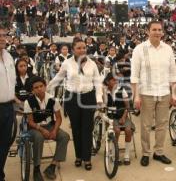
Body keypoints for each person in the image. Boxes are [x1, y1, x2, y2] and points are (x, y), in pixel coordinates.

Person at [47, 39, 103, 170]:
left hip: (88, 98)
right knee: (76, 129)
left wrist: (99, 98)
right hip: (72, 98)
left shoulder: (92, 64)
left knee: (87, 129)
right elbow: (58, 78)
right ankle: (79, 156)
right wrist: (47, 89)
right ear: (73, 50)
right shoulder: (67, 63)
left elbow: (98, 82)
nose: (82, 50)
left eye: (84, 47)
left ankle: (87, 158)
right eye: (79, 48)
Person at [131, 20, 176, 166]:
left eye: (159, 30)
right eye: (154, 29)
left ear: (162, 32)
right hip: (146, 93)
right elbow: (134, 75)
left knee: (161, 124)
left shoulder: (168, 49)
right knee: (145, 125)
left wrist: (174, 94)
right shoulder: (140, 49)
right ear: (148, 31)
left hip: (164, 92)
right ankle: (146, 153)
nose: (157, 32)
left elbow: (173, 74)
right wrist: (136, 96)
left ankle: (159, 152)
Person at [24, 76, 70, 181]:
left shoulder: (52, 99)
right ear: (32, 90)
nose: (39, 89)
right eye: (36, 87)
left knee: (65, 137)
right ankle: (36, 168)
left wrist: (54, 130)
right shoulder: (28, 102)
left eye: (41, 86)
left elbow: (58, 118)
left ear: (45, 86)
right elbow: (30, 121)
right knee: (39, 137)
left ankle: (52, 166)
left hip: (49, 126)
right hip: (34, 128)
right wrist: (41, 129)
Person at [103, 73, 134, 165]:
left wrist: (124, 117)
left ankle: (126, 155)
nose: (116, 82)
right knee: (116, 131)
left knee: (128, 130)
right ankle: (114, 154)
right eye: (113, 80)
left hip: (122, 115)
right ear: (108, 81)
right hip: (111, 117)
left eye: (116, 80)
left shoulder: (121, 90)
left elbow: (127, 106)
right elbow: (103, 107)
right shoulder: (104, 92)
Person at [0, 25, 16, 181]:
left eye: (4, 35)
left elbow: (11, 83)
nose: (2, 38)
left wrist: (16, 99)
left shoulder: (9, 57)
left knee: (5, 144)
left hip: (8, 107)